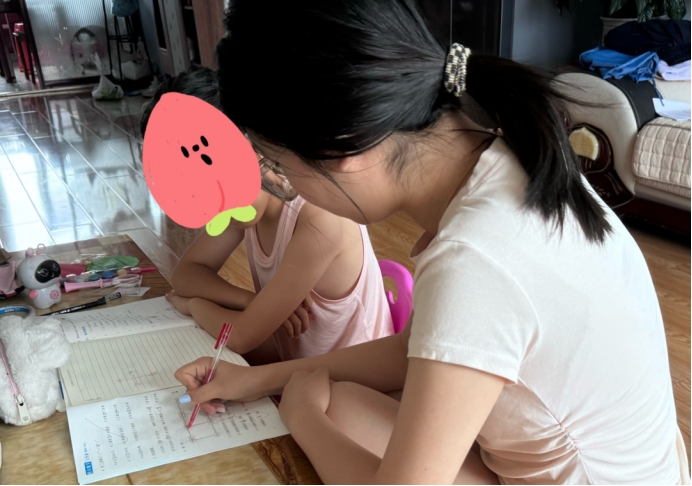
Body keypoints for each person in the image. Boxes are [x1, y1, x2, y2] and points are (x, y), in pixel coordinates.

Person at [173, 1, 684, 484]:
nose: (283, 184)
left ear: (342, 149)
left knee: (325, 412)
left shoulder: (475, 258)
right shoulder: (507, 157)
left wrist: (301, 414)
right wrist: (258, 381)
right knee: (341, 403)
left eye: (279, 164)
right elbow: (411, 350)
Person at [140, 65, 394, 366]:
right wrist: (250, 300)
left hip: (356, 377)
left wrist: (193, 306)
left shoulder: (320, 219)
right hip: (300, 365)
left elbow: (242, 336)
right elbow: (186, 274)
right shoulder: (242, 203)